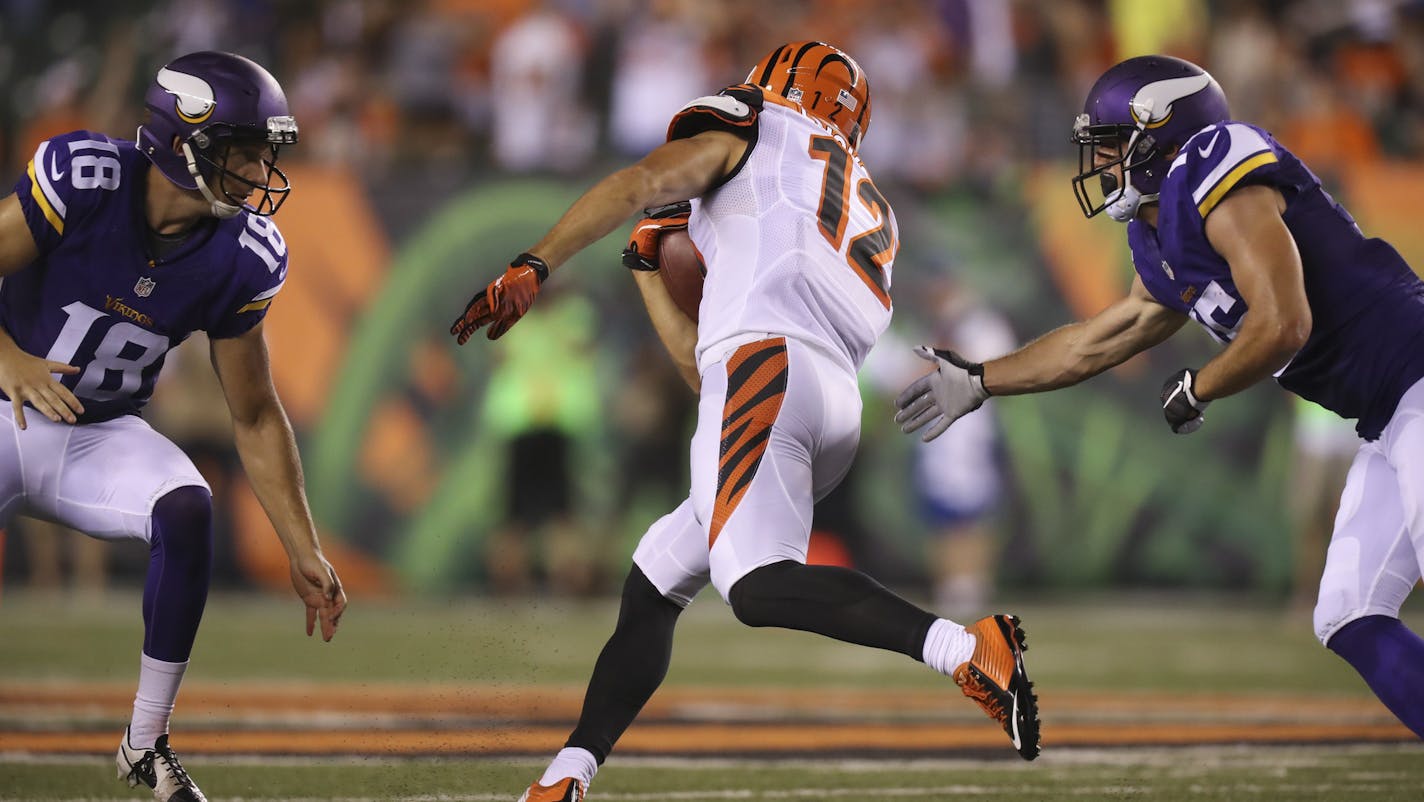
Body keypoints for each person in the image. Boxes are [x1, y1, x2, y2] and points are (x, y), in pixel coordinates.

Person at [451, 41, 1041, 802]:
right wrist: (646, 274)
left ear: (778, 86)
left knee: (755, 588)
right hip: (823, 399)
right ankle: (566, 776)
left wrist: (536, 262)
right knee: (657, 577)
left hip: (767, 370)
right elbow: (707, 377)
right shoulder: (870, 205)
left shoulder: (759, 121)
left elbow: (643, 181)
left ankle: (967, 646)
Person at [895, 54, 1424, 739]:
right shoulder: (1157, 235)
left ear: (1158, 134)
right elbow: (1102, 338)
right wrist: (981, 378)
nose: (1102, 165)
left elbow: (1285, 321)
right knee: (1348, 613)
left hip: (1417, 375)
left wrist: (1198, 387)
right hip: (1389, 415)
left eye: (1111, 147)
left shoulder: (1213, 160)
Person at [0, 51, 348, 801]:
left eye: (265, 152)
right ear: (178, 140)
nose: (260, 171)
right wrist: (7, 356)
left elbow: (254, 412)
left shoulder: (242, 256)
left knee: (186, 505)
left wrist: (303, 546)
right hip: (4, 410)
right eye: (244, 150)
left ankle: (145, 743)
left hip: (97, 435)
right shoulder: (87, 179)